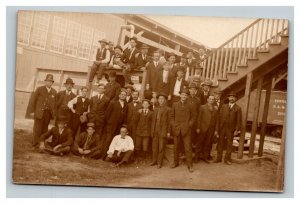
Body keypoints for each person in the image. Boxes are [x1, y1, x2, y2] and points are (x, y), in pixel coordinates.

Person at [26, 74, 57, 147]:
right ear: (45, 82)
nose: (49, 83)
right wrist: (32, 111)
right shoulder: (39, 89)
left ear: (52, 83)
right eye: (48, 81)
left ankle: (41, 144)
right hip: (39, 112)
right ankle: (35, 143)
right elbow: (32, 100)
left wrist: (53, 114)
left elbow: (54, 104)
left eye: (50, 81)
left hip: (48, 113)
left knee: (45, 129)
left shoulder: (54, 91)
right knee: (37, 129)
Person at [170, 88, 197, 172]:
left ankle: (190, 165)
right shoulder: (175, 104)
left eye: (185, 95)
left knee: (188, 148)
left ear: (187, 96)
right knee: (176, 147)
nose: (184, 96)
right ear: (180, 95)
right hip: (177, 129)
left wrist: (189, 125)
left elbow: (194, 117)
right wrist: (174, 125)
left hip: (186, 130)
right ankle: (175, 162)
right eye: (182, 94)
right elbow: (171, 117)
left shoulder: (190, 105)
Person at [215, 91, 242, 165]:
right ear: (228, 98)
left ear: (236, 99)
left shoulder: (238, 108)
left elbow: (239, 120)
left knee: (229, 144)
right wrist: (217, 129)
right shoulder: (224, 106)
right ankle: (218, 158)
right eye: (230, 97)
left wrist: (236, 130)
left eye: (233, 97)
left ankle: (227, 159)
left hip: (231, 129)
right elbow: (219, 118)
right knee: (220, 143)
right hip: (222, 127)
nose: (232, 98)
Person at [100, 89, 128, 159]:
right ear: (119, 95)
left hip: (119, 127)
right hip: (110, 126)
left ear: (126, 96)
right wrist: (108, 123)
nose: (123, 96)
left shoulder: (126, 105)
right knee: (107, 140)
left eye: (124, 95)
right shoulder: (113, 103)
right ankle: (102, 156)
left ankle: (110, 156)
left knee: (115, 141)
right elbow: (107, 114)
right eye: (122, 94)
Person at [150, 93, 171, 168]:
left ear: (165, 100)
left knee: (161, 147)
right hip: (155, 130)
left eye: (162, 99)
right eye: (159, 99)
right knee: (154, 147)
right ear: (158, 100)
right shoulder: (155, 109)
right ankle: (154, 161)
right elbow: (153, 121)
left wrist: (168, 131)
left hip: (163, 131)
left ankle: (159, 162)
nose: (161, 100)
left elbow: (169, 122)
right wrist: (152, 131)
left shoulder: (168, 109)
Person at [195, 95, 218, 163]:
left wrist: (216, 130)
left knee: (207, 143)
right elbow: (199, 118)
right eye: (210, 99)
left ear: (214, 101)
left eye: (212, 99)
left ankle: (204, 157)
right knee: (199, 143)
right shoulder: (202, 107)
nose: (211, 100)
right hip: (202, 128)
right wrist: (198, 127)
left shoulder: (215, 109)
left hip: (211, 129)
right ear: (207, 100)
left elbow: (217, 120)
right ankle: (197, 157)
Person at [187, 83, 202, 151]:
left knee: (192, 137)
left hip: (194, 122)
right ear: (189, 90)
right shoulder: (186, 98)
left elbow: (199, 113)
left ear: (196, 91)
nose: (192, 91)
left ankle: (190, 153)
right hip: (186, 121)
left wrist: (197, 125)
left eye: (194, 90)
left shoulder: (198, 100)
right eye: (191, 89)